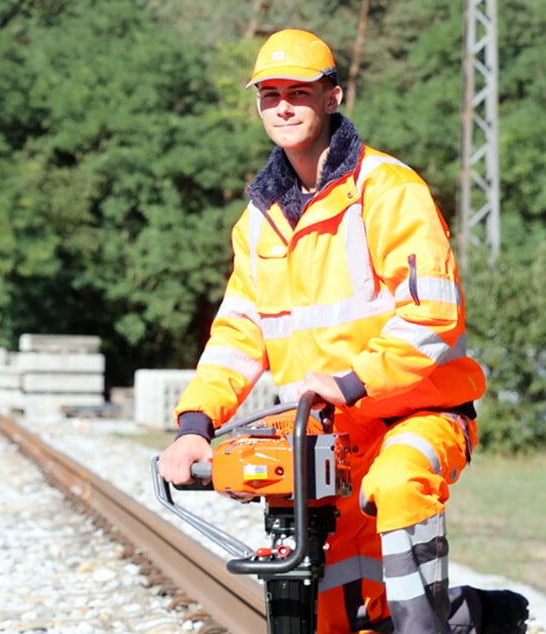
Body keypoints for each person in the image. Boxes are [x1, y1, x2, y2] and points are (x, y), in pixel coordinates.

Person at [156, 28, 529, 633]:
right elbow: (237, 332)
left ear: (332, 96)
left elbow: (433, 316)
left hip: (417, 415)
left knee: (399, 485)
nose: (282, 105)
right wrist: (195, 426)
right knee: (344, 618)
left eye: (298, 92)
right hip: (325, 439)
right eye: (269, 93)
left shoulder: (387, 190)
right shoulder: (258, 221)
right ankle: (484, 617)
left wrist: (354, 381)